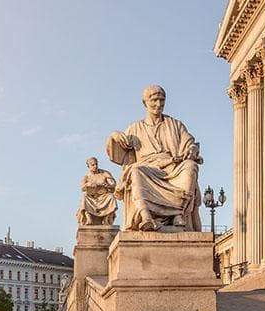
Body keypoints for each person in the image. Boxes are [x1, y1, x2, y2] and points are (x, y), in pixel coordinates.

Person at [106, 85, 203, 232]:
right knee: (136, 171)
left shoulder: (176, 125)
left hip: (172, 167)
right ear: (145, 102)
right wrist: (114, 135)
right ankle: (146, 217)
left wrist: (191, 150)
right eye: (154, 100)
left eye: (162, 100)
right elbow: (118, 154)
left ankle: (178, 213)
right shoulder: (135, 128)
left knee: (190, 166)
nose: (159, 104)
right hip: (147, 169)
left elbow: (189, 143)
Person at [77, 157, 117, 226]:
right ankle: (89, 218)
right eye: (93, 165)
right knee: (84, 198)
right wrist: (88, 184)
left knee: (111, 197)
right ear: (88, 166)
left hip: (104, 196)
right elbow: (82, 188)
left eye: (96, 164)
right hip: (92, 197)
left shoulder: (105, 173)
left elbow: (113, 184)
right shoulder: (86, 177)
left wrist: (107, 185)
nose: (95, 166)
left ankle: (107, 218)